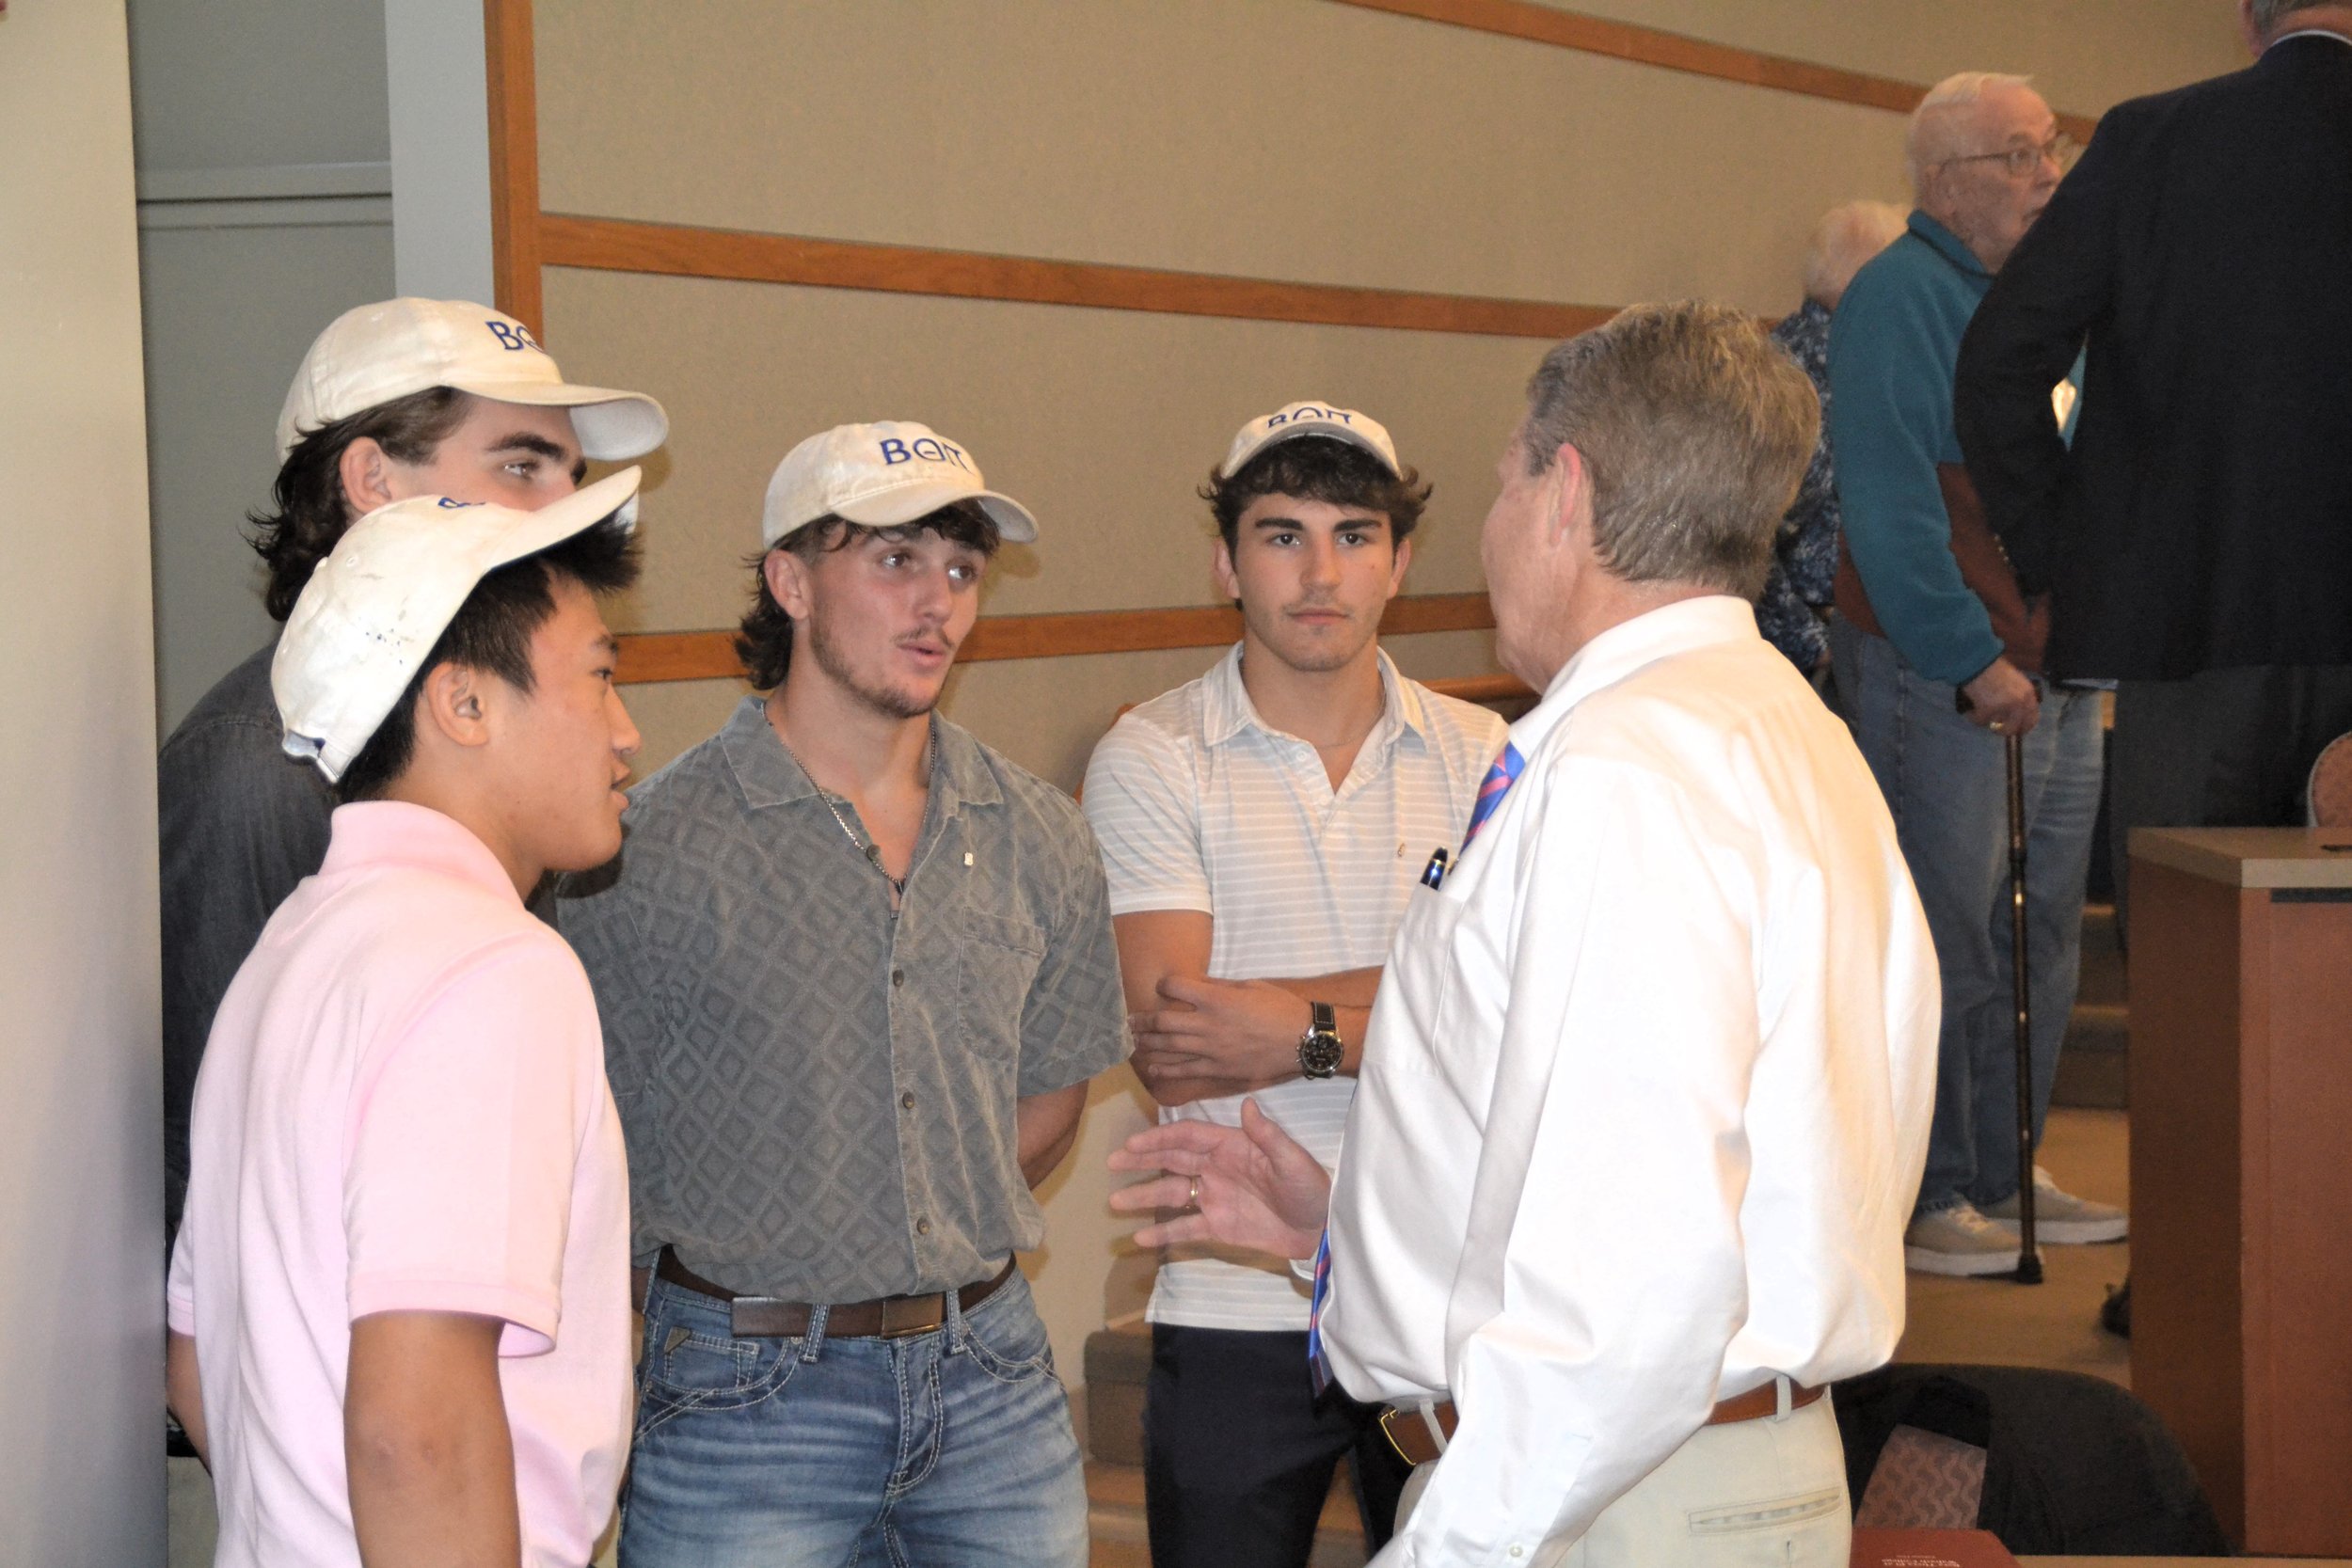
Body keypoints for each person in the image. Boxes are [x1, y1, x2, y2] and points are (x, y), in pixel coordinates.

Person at [1113, 301, 1940, 1567]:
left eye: (1504, 478)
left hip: (1612, 1489)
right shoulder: (1784, 727)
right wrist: (1345, 1228)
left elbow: (1639, 1268)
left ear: (1563, 492)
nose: (1493, 528)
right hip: (1683, 1467)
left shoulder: (1620, 771)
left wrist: (1452, 1545)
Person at [557, 422, 1127, 1567]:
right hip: (741, 1396)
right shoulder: (645, 844)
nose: (939, 605)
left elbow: (1050, 1090)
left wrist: (901, 1209)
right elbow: (584, 1142)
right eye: (894, 560)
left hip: (994, 1378)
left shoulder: (1037, 832)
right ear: (791, 582)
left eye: (961, 569)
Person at [166, 468, 649, 1567]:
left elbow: (197, 1359)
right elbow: (415, 1428)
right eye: (601, 678)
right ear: (464, 703)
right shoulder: (492, 967)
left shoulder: (289, 949)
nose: (625, 733)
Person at [1082, 403, 1506, 1567]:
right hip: (1232, 1299)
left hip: (1441, 1291)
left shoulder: (1487, 756)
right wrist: (1418, 994)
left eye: (1354, 535)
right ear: (1225, 562)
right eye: (1280, 536)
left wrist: (1293, 1029)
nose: (1321, 573)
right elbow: (1174, 1028)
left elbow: (1515, 1019)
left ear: (1401, 559)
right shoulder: (1154, 754)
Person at [158, 297, 667, 1246]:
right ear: (370, 478)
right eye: (521, 465)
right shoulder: (252, 767)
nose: (562, 508)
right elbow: (222, 1174)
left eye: (572, 472)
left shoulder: (509, 740)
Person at [1954, 0, 2352, 919]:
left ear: (2250, 23)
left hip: (2183, 633)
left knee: (2193, 975)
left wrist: (2067, 557)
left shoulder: (2152, 139)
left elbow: (1999, 364)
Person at [1826, 73, 2122, 1276]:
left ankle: (2007, 1172)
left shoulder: (2043, 298)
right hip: (1942, 666)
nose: (2048, 172)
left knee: (2042, 925)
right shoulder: (1898, 294)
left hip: (2056, 659)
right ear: (1944, 180)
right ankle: (1931, 1185)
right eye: (2018, 153)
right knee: (1942, 928)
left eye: (2050, 147)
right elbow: (1893, 503)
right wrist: (1966, 655)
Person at [1755, 200, 1907, 676]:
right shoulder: (1806, 382)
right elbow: (1749, 533)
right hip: (1814, 654)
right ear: (1869, 283)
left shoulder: (1819, 359)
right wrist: (1816, 646)